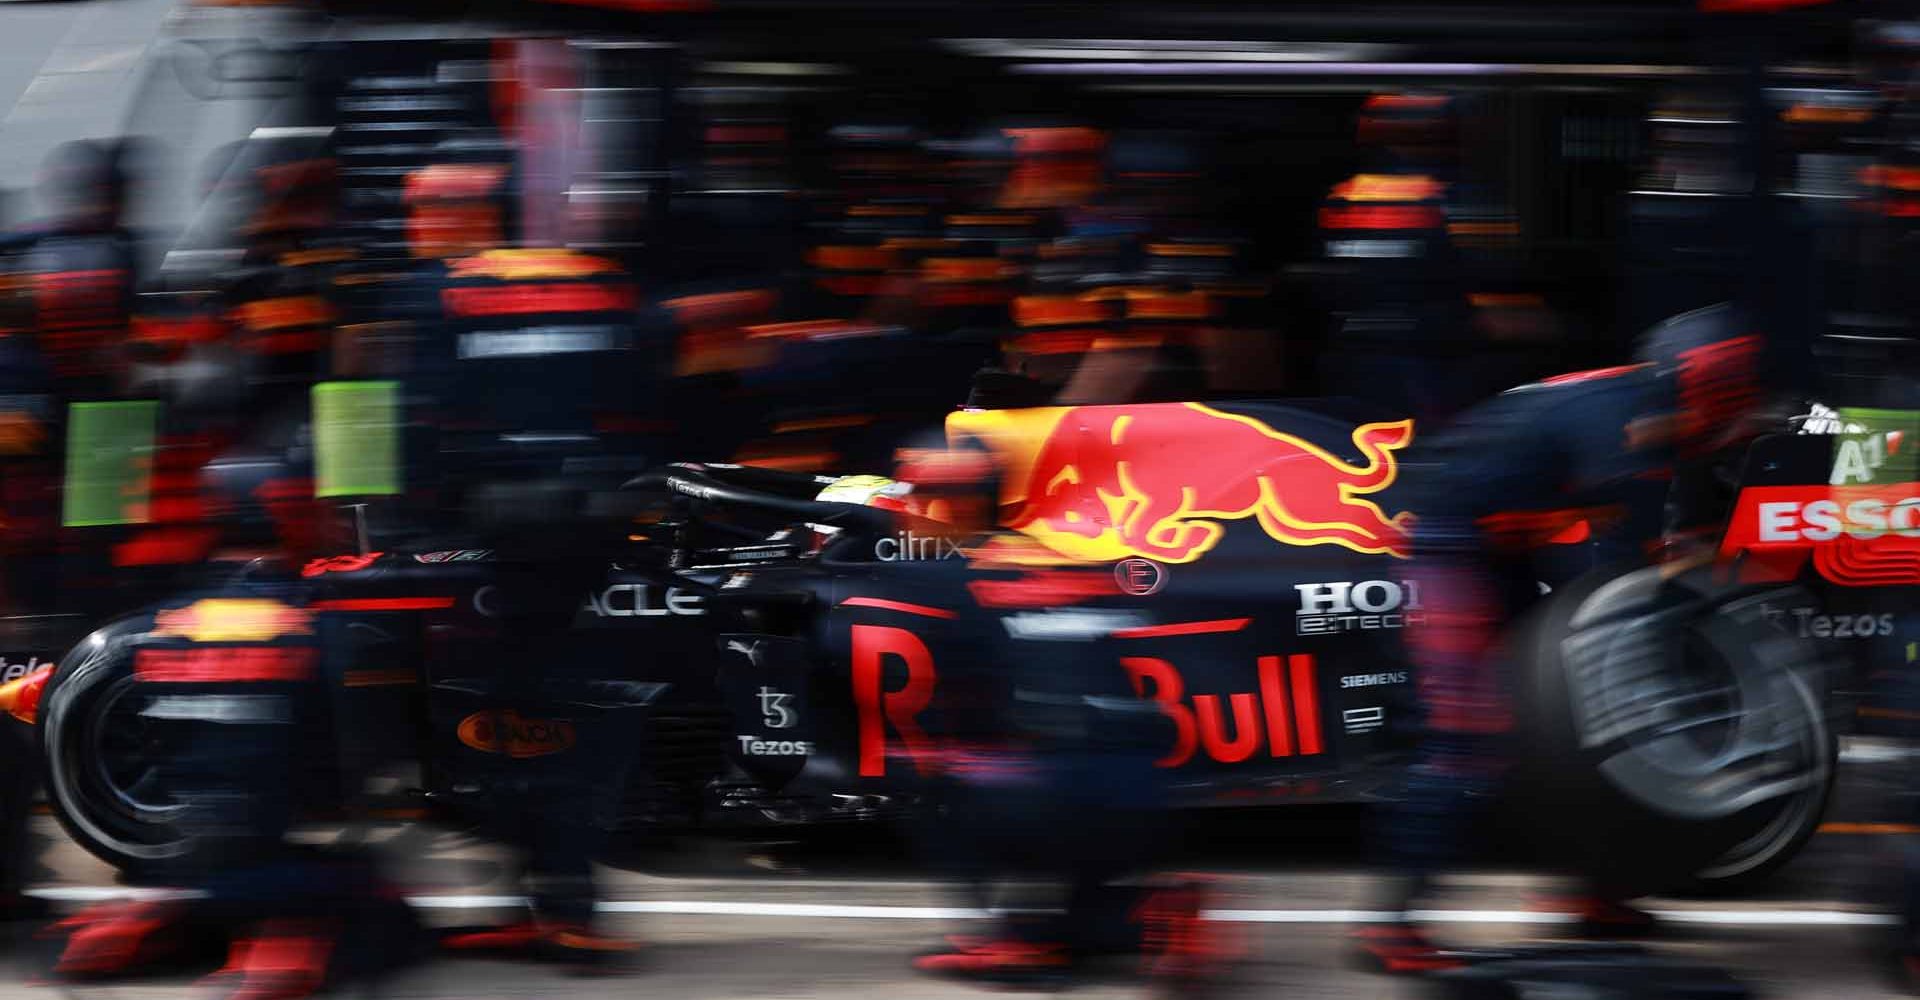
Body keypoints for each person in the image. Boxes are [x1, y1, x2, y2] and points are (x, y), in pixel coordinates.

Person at [1352, 301, 1769, 974]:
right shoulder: (1628, 419)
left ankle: (1591, 894)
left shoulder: (1659, 417)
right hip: (1446, 541)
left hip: (1508, 542)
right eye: (1725, 385)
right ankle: (1388, 926)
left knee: (1572, 724)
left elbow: (1651, 553)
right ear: (1694, 378)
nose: (1733, 403)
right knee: (1467, 737)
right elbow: (1635, 565)